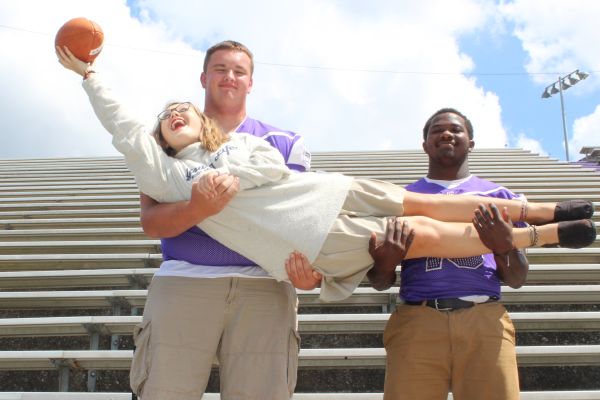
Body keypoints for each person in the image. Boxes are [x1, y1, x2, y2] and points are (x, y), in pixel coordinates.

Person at [58, 43, 595, 302]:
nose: (175, 115)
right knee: (426, 236)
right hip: (312, 234)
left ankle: (546, 206)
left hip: (328, 190)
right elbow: (125, 128)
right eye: (166, 117)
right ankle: (548, 233)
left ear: (203, 121)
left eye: (185, 111)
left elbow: (269, 165)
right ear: (160, 138)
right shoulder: (169, 177)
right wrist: (90, 75)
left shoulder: (245, 142)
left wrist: (234, 180)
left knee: (425, 204)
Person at [367, 108, 555, 400]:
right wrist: (388, 260)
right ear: (425, 144)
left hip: (484, 319)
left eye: (456, 130)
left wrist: (503, 245)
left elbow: (517, 278)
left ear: (471, 142)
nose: (446, 134)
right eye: (436, 130)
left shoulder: (499, 197)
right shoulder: (401, 199)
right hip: (418, 318)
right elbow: (379, 282)